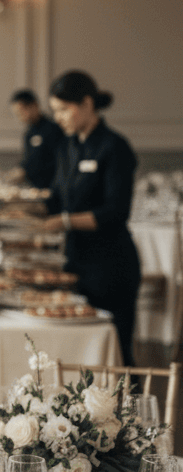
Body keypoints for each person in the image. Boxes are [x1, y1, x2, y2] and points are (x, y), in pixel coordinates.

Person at [39, 70, 141, 366]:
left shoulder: (114, 147)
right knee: (82, 352)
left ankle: (130, 411)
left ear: (86, 103)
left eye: (63, 109)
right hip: (75, 262)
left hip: (111, 266)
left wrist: (66, 222)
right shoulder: (67, 147)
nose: (58, 118)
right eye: (55, 111)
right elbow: (56, 198)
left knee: (117, 354)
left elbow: (116, 212)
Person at [9, 88, 63, 189]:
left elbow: (57, 162)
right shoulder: (28, 133)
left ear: (34, 105)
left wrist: (26, 172)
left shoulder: (53, 129)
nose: (20, 117)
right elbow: (29, 159)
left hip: (50, 187)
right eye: (17, 114)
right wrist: (21, 169)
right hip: (34, 188)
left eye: (21, 112)